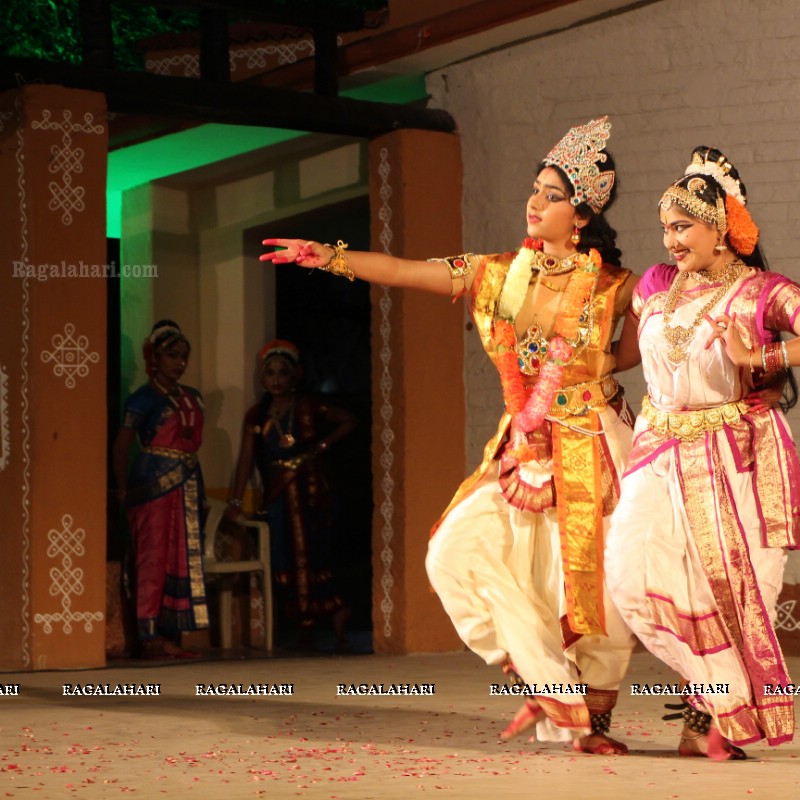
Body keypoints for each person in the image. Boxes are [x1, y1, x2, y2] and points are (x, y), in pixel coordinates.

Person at [260, 118, 637, 754]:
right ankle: (553, 689)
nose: (534, 201)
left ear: (580, 215)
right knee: (454, 553)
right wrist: (328, 257)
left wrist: (590, 382)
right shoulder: (494, 275)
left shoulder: (614, 287)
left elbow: (633, 350)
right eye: (534, 189)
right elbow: (407, 271)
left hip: (591, 442)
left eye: (550, 194)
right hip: (520, 443)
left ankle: (593, 717)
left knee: (588, 585)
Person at [604, 146, 800, 760]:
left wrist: (763, 357)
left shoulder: (765, 292)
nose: (670, 240)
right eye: (665, 227)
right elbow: (630, 354)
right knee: (631, 577)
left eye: (683, 226)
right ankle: (724, 698)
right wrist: (570, 370)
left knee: (735, 589)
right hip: (660, 447)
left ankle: (708, 721)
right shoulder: (655, 286)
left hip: (738, 453)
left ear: (721, 229)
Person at [223, 340, 357, 649]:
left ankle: (335, 612)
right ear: (262, 377)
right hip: (280, 495)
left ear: (294, 375)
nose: (275, 379)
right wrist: (236, 500)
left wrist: (321, 447)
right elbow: (246, 459)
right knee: (285, 557)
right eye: (269, 373)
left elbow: (350, 420)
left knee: (315, 554)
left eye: (282, 373)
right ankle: (303, 623)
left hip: (311, 493)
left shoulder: (308, 406)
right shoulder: (256, 416)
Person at [112, 320, 210, 659]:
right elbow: (122, 446)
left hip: (187, 483)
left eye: (183, 356)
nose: (179, 362)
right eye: (172, 355)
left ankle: (172, 631)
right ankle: (150, 635)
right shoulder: (141, 399)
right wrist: (121, 487)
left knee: (181, 556)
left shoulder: (193, 397)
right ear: (155, 357)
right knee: (153, 557)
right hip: (152, 485)